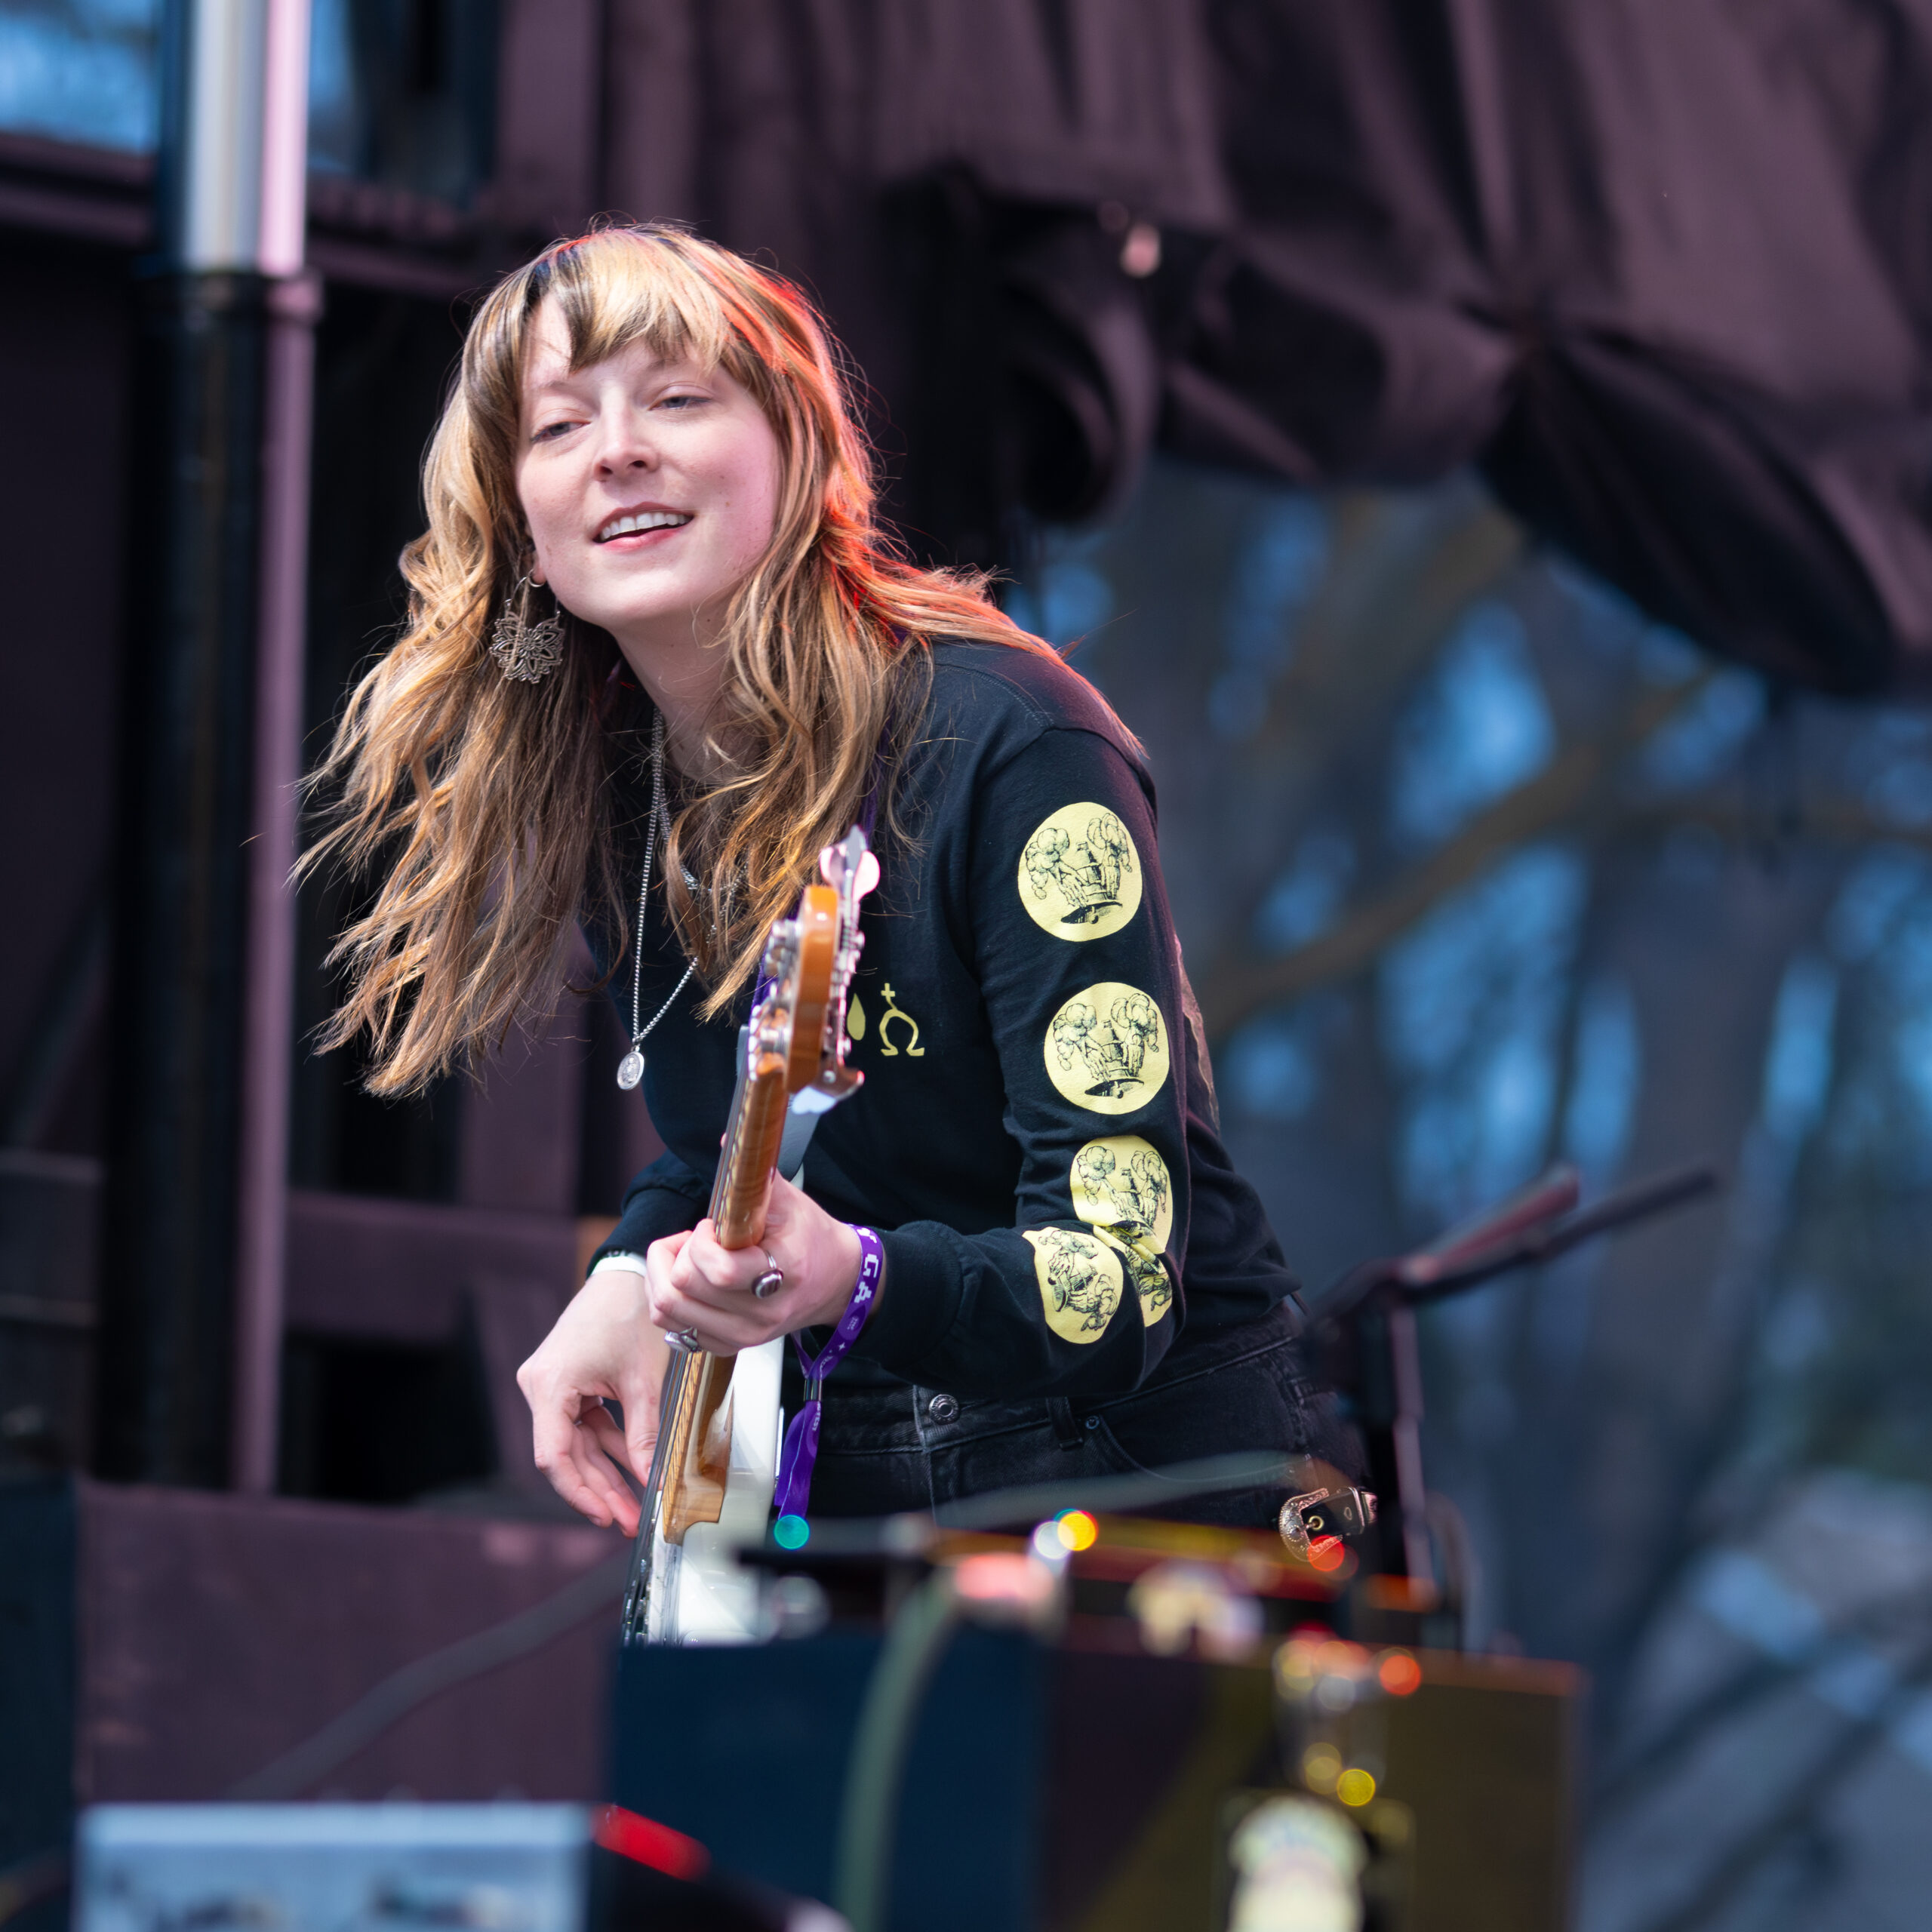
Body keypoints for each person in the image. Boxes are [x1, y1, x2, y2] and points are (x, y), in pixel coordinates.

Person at [309, 223, 1349, 1538]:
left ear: (795, 452)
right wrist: (632, 1266)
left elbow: (1122, 1281)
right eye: (559, 427)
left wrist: (851, 1275)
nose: (619, 448)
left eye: (677, 399)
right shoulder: (615, 779)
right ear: (520, 526)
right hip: (849, 1469)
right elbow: (741, 1134)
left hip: (1143, 1479)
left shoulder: (1010, 738)